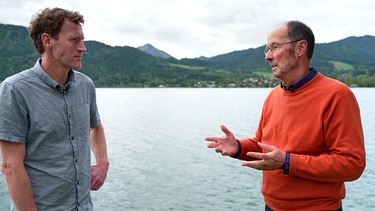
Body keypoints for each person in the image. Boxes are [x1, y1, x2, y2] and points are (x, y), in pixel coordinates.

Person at [205, 20, 366, 211]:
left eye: (275, 47)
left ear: (300, 48)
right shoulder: (273, 96)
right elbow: (263, 144)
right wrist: (238, 147)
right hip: (271, 207)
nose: (268, 56)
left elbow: (352, 164)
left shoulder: (337, 95)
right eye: (267, 50)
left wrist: (288, 162)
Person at [0, 7, 109, 210]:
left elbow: (96, 126)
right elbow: (10, 166)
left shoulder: (86, 85)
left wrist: (103, 162)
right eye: (74, 40)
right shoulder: (14, 90)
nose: (83, 47)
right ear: (47, 40)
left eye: (82, 40)